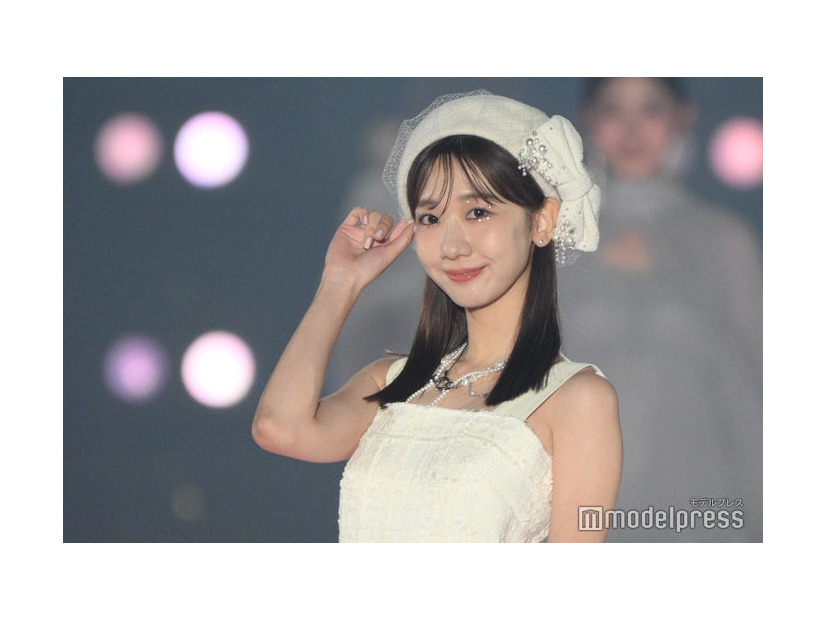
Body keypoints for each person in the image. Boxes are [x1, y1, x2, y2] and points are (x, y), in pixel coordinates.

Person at [252, 91, 622, 543]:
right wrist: (339, 283)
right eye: (430, 218)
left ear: (542, 221)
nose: (451, 246)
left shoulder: (577, 399)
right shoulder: (390, 382)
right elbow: (279, 428)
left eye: (478, 212)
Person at [557, 78, 762, 541]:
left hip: (700, 500)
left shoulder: (724, 240)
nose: (631, 130)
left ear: (682, 118)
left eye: (650, 110)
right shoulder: (556, 240)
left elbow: (756, 384)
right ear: (588, 121)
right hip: (579, 500)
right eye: (613, 111)